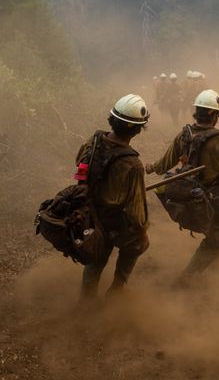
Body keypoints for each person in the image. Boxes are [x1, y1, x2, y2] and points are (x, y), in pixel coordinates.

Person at [145, 89, 219, 282]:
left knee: (210, 230)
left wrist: (152, 168)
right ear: (213, 114)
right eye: (218, 114)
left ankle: (214, 259)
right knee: (217, 239)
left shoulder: (184, 135)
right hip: (213, 197)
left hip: (186, 195)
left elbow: (165, 163)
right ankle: (186, 278)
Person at [76, 94, 150, 298]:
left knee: (95, 261)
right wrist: (141, 229)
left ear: (112, 119)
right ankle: (118, 286)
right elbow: (136, 213)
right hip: (114, 222)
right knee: (139, 242)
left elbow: (79, 163)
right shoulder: (132, 164)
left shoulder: (94, 141)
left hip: (89, 213)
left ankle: (86, 302)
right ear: (137, 129)